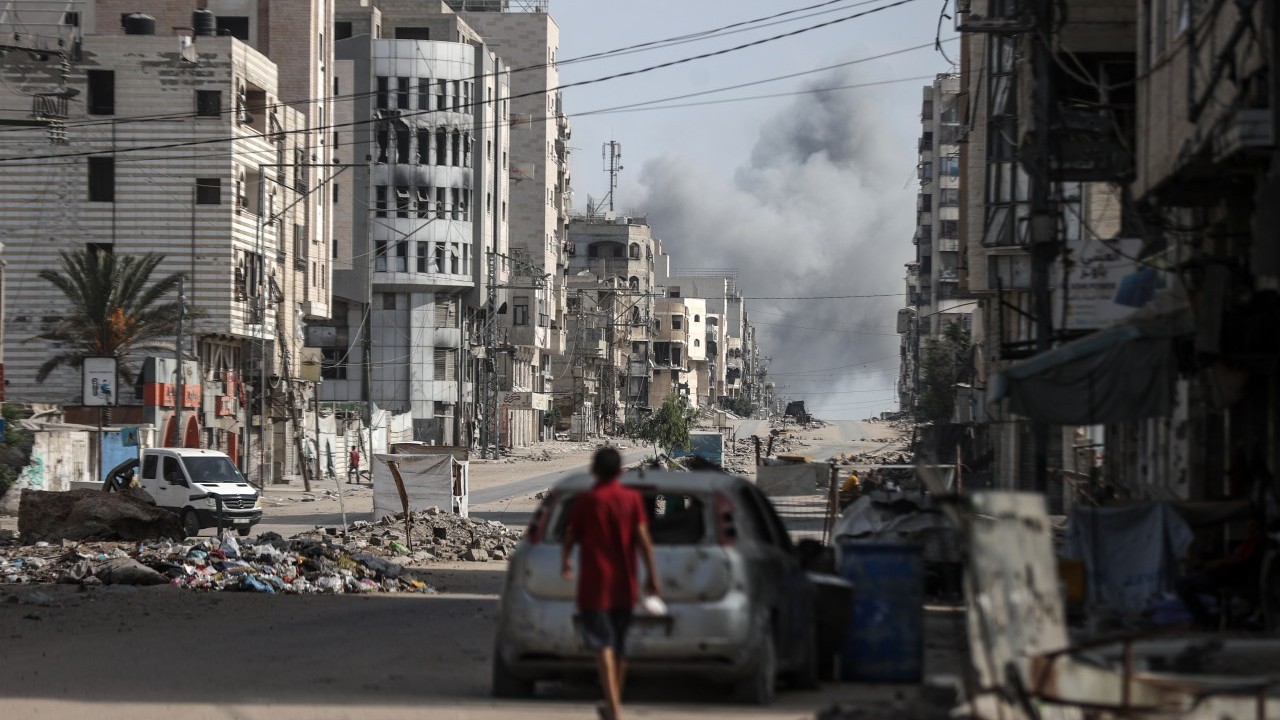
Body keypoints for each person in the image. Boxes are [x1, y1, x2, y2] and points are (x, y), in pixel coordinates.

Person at [561, 447, 661, 720]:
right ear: (619, 472)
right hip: (625, 586)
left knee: (602, 645)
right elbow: (643, 540)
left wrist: (566, 561)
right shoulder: (631, 499)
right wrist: (652, 576)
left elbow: (571, 536)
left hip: (594, 587)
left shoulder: (588, 500)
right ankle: (613, 701)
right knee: (619, 645)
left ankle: (613, 706)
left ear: (593, 471)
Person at [1176, 516, 1268, 629]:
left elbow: (1240, 561)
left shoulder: (1256, 543)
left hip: (1230, 579)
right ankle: (1208, 618)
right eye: (1247, 528)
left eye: (1251, 528)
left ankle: (1205, 620)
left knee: (1182, 584)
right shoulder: (1249, 543)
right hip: (1225, 576)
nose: (1247, 531)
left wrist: (1217, 563)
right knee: (1186, 581)